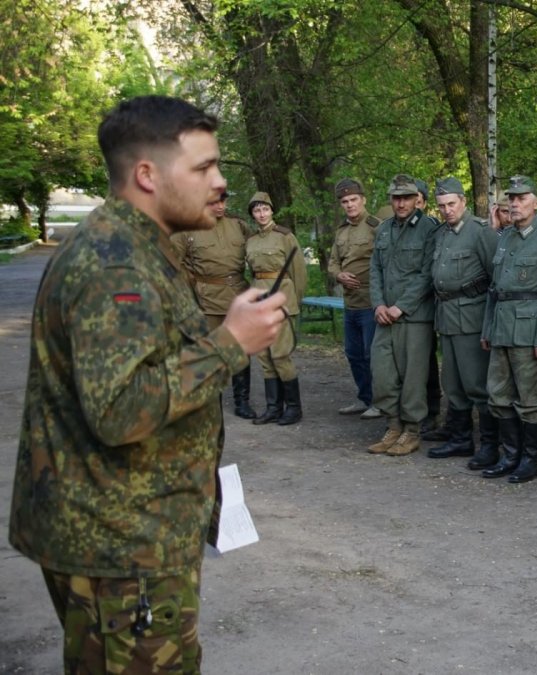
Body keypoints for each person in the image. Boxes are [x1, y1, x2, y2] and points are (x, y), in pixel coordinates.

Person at [7, 95, 286, 672]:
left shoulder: (133, 244)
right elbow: (119, 409)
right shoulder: (117, 265)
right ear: (147, 175)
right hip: (120, 544)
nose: (220, 182)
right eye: (204, 167)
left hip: (125, 532)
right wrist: (230, 342)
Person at [479, 175, 537, 483]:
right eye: (511, 198)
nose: (515, 203)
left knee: (531, 401)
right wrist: (487, 329)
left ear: (536, 202)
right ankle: (510, 456)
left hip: (529, 333)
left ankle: (530, 460)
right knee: (498, 396)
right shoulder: (506, 236)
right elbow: (495, 289)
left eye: (521, 198)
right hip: (501, 328)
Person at [426, 176, 500, 465]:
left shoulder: (480, 232)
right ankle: (460, 439)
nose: (447, 210)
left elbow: (496, 279)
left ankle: (490, 445)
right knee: (453, 383)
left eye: (451, 204)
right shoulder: (442, 234)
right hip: (446, 317)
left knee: (476, 384)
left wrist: (491, 325)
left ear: (463, 201)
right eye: (442, 206)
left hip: (472, 319)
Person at [366, 174, 439, 456]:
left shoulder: (429, 229)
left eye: (406, 198)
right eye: (396, 198)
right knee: (383, 374)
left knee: (413, 378)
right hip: (385, 316)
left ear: (416, 199)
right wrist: (378, 305)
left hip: (414, 317)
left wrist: (401, 306)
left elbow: (427, 274)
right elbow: (375, 270)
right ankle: (393, 426)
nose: (401, 203)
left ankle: (411, 431)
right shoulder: (384, 229)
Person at [170, 188, 258, 419]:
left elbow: (257, 252)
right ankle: (210, 403)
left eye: (223, 201)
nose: (220, 206)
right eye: (214, 202)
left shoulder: (239, 226)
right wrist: (191, 286)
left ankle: (242, 402)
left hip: (238, 297)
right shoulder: (188, 229)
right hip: (206, 300)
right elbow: (172, 262)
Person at [246, 191, 308, 425]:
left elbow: (299, 273)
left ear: (272, 211)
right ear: (252, 214)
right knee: (264, 356)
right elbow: (253, 273)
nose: (262, 214)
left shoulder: (285, 236)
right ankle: (273, 408)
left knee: (280, 355)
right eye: (257, 210)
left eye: (265, 209)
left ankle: (293, 408)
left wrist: (294, 302)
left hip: (282, 301)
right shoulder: (251, 240)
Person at [328, 178, 383, 419]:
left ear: (363, 200)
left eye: (353, 199)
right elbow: (333, 262)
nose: (349, 205)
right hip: (350, 303)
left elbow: (386, 262)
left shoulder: (376, 227)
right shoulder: (341, 231)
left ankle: (380, 401)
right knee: (354, 354)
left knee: (373, 356)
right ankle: (365, 397)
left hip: (371, 302)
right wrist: (338, 275)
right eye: (345, 201)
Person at [414, 176, 445, 437]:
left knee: (427, 361)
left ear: (423, 203)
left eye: (416, 199)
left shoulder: (432, 228)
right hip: (404, 305)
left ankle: (432, 410)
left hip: (428, 304)